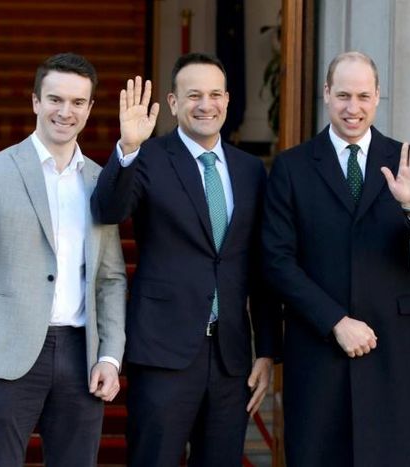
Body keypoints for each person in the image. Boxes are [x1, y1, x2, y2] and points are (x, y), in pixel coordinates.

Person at [0, 53, 127, 466]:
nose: (65, 111)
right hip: (10, 352)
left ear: (90, 109)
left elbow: (110, 279)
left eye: (77, 103)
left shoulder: (99, 179)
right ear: (35, 101)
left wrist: (110, 355)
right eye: (55, 99)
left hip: (81, 353)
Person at [261, 50, 410, 467]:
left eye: (364, 96)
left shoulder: (409, 162)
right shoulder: (292, 167)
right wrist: (335, 321)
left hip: (392, 352)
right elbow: (276, 262)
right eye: (344, 95)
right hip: (317, 348)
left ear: (378, 96)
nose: (353, 108)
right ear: (326, 94)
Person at [90, 52, 281, 467]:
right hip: (163, 352)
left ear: (228, 101)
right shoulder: (149, 157)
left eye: (214, 94)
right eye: (193, 94)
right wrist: (127, 147)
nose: (205, 104)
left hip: (231, 358)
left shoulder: (250, 170)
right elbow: (108, 210)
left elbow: (260, 269)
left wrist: (265, 350)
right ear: (174, 104)